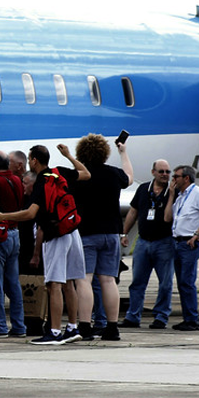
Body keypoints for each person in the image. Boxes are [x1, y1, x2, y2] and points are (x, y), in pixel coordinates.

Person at [0, 144, 90, 345]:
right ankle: (72, 327)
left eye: (30, 159)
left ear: (34, 160)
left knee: (54, 285)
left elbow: (30, 214)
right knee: (69, 283)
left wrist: (3, 216)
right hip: (72, 231)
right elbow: (86, 174)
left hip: (55, 234)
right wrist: (68, 156)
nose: (29, 162)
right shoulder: (59, 172)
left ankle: (54, 332)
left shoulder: (41, 182)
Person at [71, 133, 133, 341]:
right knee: (108, 280)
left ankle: (85, 326)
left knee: (84, 280)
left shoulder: (80, 176)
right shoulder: (113, 174)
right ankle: (112, 327)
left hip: (87, 233)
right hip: (111, 234)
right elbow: (129, 177)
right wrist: (123, 153)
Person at [120, 159, 175, 329]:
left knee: (165, 283)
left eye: (167, 172)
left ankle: (161, 317)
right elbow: (133, 212)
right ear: (153, 172)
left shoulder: (173, 192)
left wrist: (172, 194)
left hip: (164, 242)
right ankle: (132, 316)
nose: (165, 175)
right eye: (161, 171)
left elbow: (171, 216)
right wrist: (124, 233)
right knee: (137, 282)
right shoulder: (144, 189)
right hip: (143, 242)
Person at [165, 165, 199, 331]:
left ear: (186, 178)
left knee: (187, 282)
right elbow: (168, 218)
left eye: (176, 177)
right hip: (178, 243)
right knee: (182, 283)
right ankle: (188, 318)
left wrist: (197, 233)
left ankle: (193, 319)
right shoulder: (180, 196)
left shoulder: (198, 193)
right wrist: (171, 195)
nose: (173, 180)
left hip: (189, 243)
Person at [0, 151, 26, 337]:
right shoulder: (17, 180)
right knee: (14, 283)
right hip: (15, 233)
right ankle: (19, 325)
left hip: (0, 234)